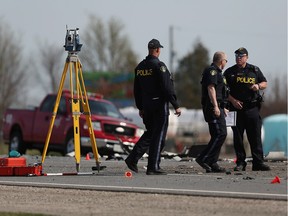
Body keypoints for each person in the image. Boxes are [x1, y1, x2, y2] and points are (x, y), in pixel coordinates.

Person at [125, 38, 181, 175]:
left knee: (151, 133)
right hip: (159, 106)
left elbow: (136, 90)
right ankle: (153, 167)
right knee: (159, 136)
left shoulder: (140, 67)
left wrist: (140, 107)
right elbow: (167, 87)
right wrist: (176, 105)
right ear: (157, 50)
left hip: (147, 106)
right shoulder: (159, 66)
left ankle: (133, 158)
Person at [223, 47, 270, 171]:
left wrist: (258, 85)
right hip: (236, 109)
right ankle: (240, 163)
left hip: (252, 108)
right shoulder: (229, 72)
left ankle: (258, 162)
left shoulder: (254, 70)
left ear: (247, 57)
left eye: (241, 56)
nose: (239, 58)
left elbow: (265, 83)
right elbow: (222, 90)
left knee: (255, 136)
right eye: (237, 56)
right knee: (238, 137)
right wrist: (232, 100)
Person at [196, 51, 229, 173]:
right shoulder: (212, 71)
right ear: (222, 61)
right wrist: (215, 106)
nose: (226, 63)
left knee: (217, 135)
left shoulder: (219, 73)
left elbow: (221, 91)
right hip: (211, 107)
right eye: (226, 60)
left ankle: (213, 162)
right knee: (221, 133)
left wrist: (222, 107)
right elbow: (211, 88)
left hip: (218, 106)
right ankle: (204, 158)